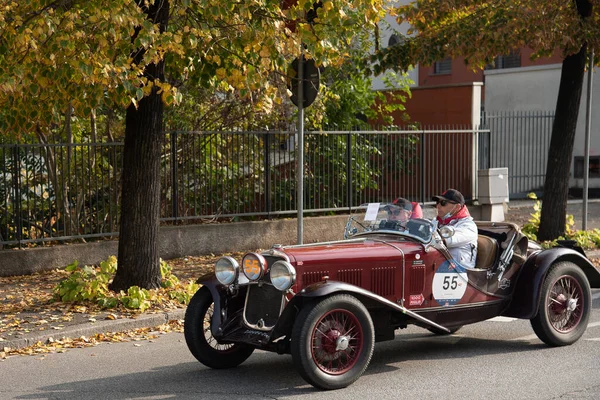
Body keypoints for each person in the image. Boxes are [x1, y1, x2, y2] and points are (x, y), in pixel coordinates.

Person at [432, 189, 478, 269]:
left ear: (457, 207)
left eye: (443, 203)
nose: (438, 206)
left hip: (460, 272)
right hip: (440, 268)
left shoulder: (468, 226)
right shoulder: (437, 221)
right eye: (438, 202)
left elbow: (445, 240)